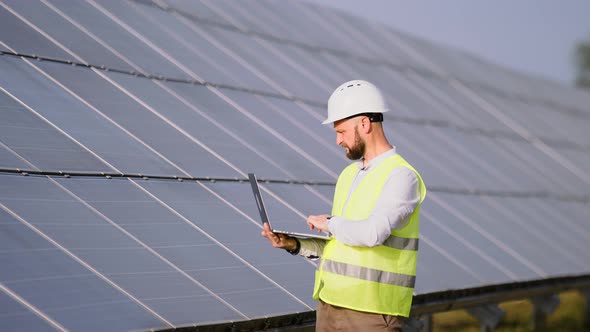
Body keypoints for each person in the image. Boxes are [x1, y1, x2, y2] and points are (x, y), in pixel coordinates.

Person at [261, 80, 427, 332]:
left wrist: (329, 223)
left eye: (341, 131)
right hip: (330, 305)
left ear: (364, 123)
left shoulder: (401, 176)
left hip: (371, 313)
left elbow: (373, 233)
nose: (337, 140)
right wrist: (294, 244)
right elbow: (341, 244)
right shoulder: (349, 175)